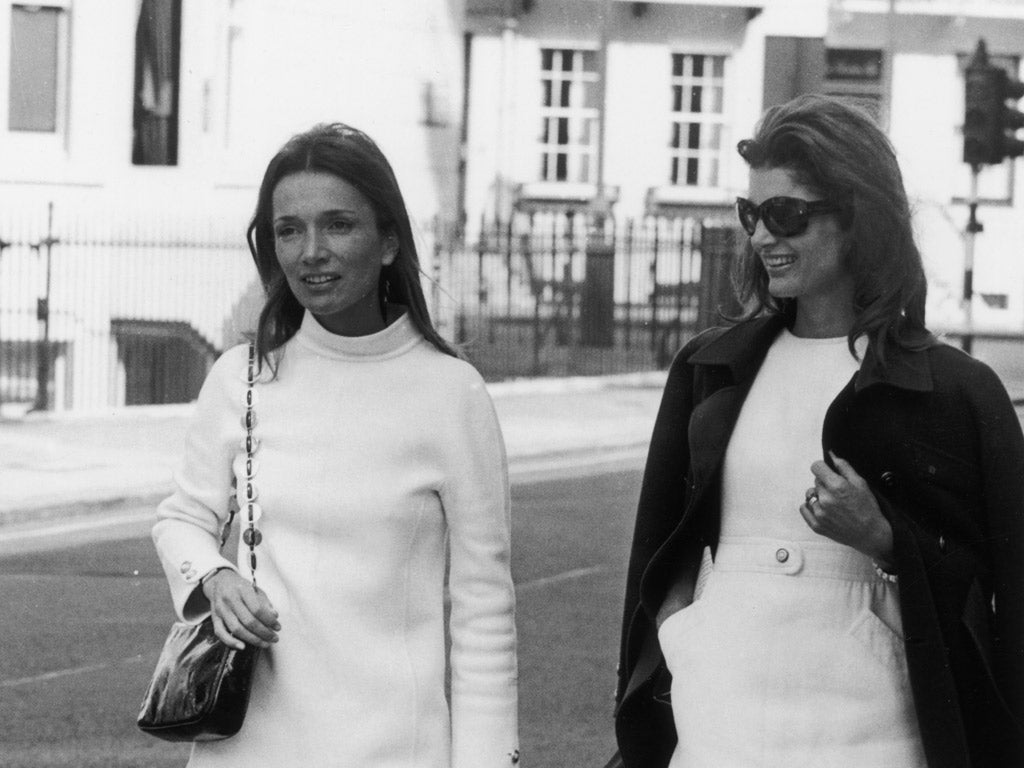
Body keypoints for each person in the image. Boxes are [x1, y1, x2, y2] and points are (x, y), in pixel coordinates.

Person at [612, 94, 1023, 768]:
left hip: (875, 729)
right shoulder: (708, 370)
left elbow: (1001, 587)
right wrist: (682, 632)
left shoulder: (956, 391)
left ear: (859, 216)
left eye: (787, 215)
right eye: (751, 215)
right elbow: (657, 554)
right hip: (720, 716)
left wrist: (887, 541)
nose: (761, 237)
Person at [152, 123, 520, 768]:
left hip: (392, 749)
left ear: (389, 241)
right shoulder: (241, 377)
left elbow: (483, 610)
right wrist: (215, 576)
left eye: (338, 225)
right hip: (245, 748)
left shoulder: (450, 392)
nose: (311, 252)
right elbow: (183, 518)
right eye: (289, 230)